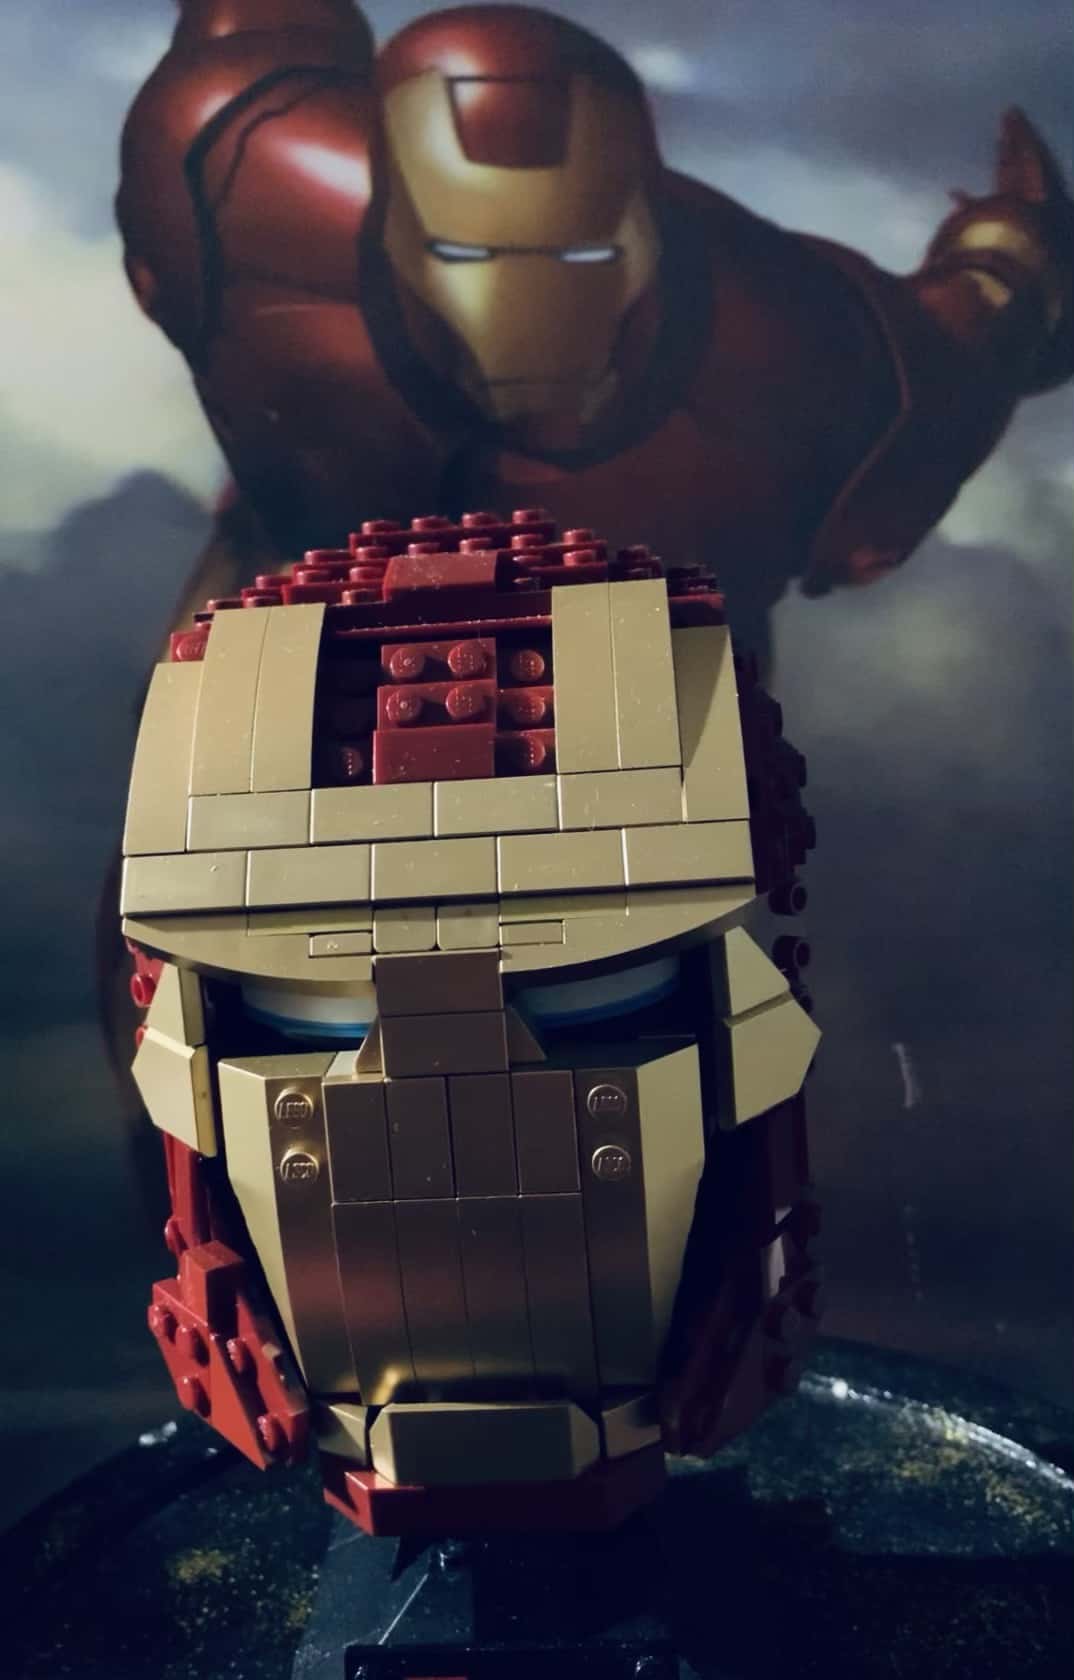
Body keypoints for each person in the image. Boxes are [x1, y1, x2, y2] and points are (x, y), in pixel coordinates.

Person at [117, 0, 1073, 668]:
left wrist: (1009, 248)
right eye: (466, 251)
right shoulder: (242, 173)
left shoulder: (818, 349)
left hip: (637, 711)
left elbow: (995, 309)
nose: (520, 317)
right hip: (293, 659)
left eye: (582, 257)